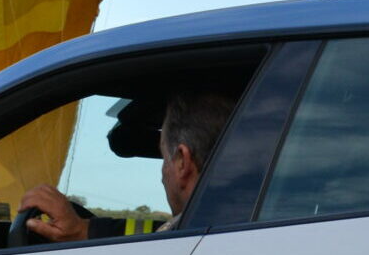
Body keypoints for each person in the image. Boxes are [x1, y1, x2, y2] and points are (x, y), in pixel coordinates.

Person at [18, 89, 237, 243]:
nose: (162, 176)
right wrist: (84, 230)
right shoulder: (243, 222)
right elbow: (155, 235)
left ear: (182, 161)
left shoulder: (198, 242)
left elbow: (156, 250)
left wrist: (78, 231)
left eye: (164, 158)